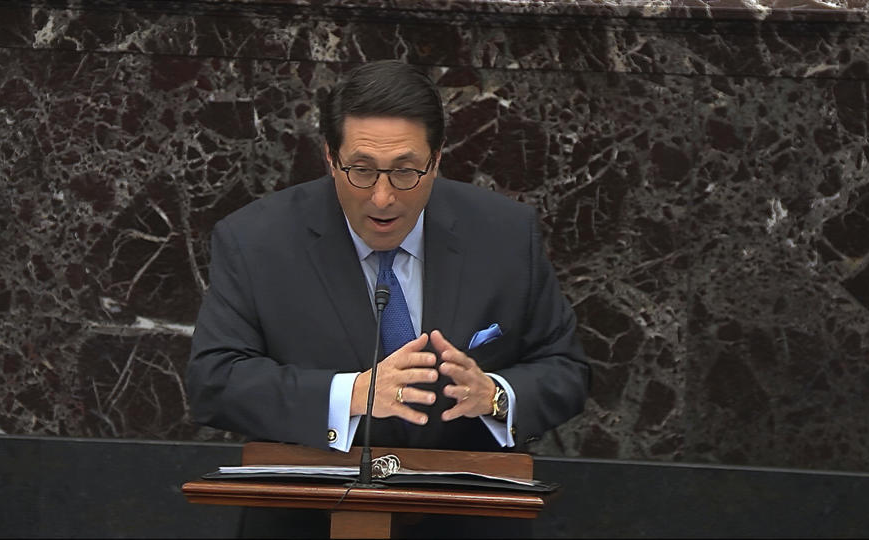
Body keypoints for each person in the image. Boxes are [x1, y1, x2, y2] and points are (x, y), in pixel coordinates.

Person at [186, 60, 590, 537]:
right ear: (330, 159)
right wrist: (349, 395)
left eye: (405, 172)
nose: (382, 198)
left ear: (436, 161)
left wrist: (497, 396)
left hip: (469, 522)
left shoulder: (504, 234)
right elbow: (214, 380)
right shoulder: (255, 240)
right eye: (361, 170)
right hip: (303, 520)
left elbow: (564, 368)